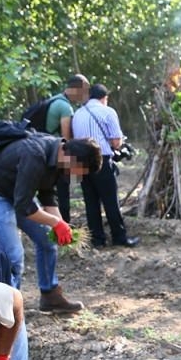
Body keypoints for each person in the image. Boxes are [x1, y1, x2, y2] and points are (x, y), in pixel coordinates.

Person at [0, 131, 101, 313]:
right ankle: (8, 310)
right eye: (77, 171)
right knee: (14, 255)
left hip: (16, 196)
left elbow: (47, 195)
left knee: (47, 242)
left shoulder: (58, 158)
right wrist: (56, 223)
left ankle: (51, 297)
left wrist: (60, 225)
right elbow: (24, 206)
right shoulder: (35, 154)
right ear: (70, 157)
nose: (75, 176)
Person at [71, 83, 139, 249]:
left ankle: (97, 240)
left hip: (81, 162)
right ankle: (119, 237)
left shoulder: (78, 114)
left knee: (91, 201)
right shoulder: (108, 112)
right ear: (104, 98)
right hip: (101, 159)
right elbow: (116, 143)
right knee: (110, 201)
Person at [43, 74, 91, 222]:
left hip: (43, 151)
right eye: (85, 91)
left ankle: (52, 225)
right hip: (56, 155)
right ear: (77, 89)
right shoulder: (65, 107)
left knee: (47, 192)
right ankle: (64, 225)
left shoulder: (53, 100)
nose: (85, 96)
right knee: (62, 193)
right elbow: (66, 138)